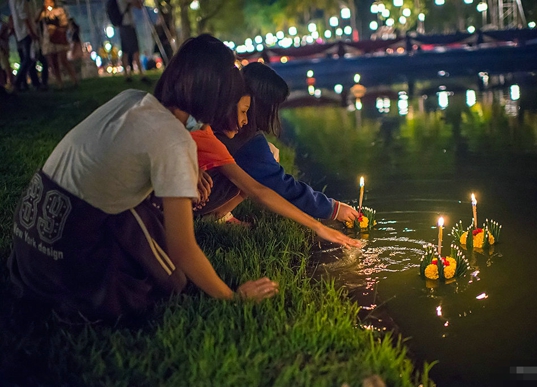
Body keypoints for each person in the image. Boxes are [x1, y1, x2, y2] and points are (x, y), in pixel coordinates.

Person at [7, 35, 282, 323]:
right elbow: (182, 248)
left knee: (145, 213)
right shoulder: (174, 141)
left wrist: (189, 168)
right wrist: (232, 297)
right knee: (172, 280)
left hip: (29, 245)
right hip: (64, 266)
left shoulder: (130, 99)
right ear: (215, 95)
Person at [188, 82, 361, 232]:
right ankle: (216, 215)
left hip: (187, 196)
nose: (246, 120)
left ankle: (218, 214)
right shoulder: (243, 140)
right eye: (243, 111)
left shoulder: (206, 130)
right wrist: (332, 210)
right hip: (188, 203)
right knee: (256, 171)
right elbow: (270, 189)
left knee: (264, 158)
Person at [37, 0, 78, 88]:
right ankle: (59, 82)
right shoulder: (44, 13)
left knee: (63, 59)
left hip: (58, 37)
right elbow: (36, 20)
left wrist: (56, 28)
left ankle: (74, 79)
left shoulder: (59, 11)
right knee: (53, 61)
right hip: (48, 39)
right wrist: (42, 10)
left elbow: (65, 24)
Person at [9, 0, 42, 91]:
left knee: (28, 58)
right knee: (29, 58)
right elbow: (23, 15)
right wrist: (31, 31)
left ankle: (32, 83)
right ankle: (17, 82)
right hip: (25, 32)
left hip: (21, 31)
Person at [116, 0, 147, 82]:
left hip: (122, 26)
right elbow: (138, 5)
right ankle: (141, 74)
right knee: (135, 50)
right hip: (128, 26)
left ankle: (127, 75)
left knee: (125, 51)